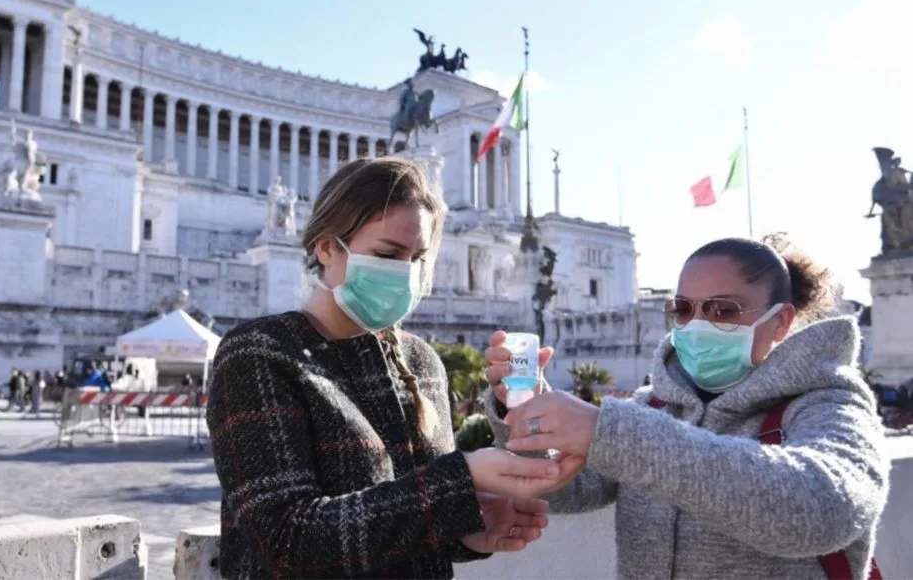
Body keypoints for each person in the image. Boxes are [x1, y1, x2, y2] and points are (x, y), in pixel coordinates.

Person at [207, 157, 564, 580]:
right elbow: (287, 542)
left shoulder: (422, 362)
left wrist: (469, 533)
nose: (406, 274)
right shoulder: (260, 353)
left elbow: (411, 522)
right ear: (326, 246)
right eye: (388, 254)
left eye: (417, 258)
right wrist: (460, 480)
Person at [483, 235, 889, 579]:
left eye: (723, 310)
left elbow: (822, 510)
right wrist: (525, 412)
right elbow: (567, 489)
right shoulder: (653, 405)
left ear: (780, 321)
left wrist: (610, 432)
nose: (696, 326)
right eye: (683, 309)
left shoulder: (829, 401)